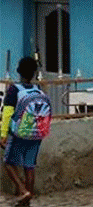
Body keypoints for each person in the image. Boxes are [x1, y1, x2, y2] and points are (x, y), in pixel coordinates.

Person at [0, 56, 46, 207]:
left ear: (19, 71)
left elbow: (7, 113)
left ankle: (23, 191)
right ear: (33, 73)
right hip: (36, 132)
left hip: (19, 132)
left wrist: (3, 134)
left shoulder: (14, 89)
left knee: (8, 163)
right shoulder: (38, 89)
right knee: (29, 166)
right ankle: (27, 200)